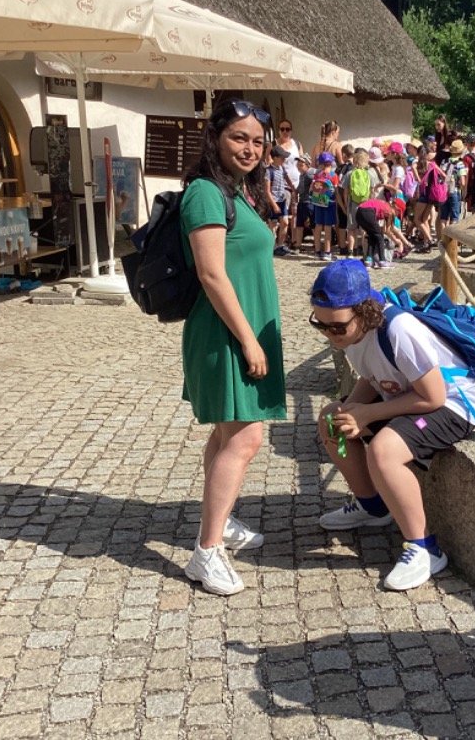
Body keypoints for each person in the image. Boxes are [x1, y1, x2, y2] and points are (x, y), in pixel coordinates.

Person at [311, 260, 475, 591]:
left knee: (384, 450)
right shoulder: (353, 334)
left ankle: (424, 548)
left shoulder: (399, 329)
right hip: (408, 397)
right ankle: (373, 507)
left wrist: (367, 415)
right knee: (331, 420)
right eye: (320, 324)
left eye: (336, 327)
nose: (328, 334)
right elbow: (372, 375)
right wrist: (351, 410)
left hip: (453, 405)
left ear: (363, 312)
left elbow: (433, 397)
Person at [179, 98, 286, 596]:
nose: (250, 148)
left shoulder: (235, 191)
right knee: (246, 439)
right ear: (216, 137)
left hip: (240, 328)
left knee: (227, 435)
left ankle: (218, 523)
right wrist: (248, 340)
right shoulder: (205, 192)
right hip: (225, 332)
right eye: (239, 137)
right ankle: (206, 552)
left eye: (258, 141)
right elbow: (211, 274)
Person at [436, 139, 467, 241]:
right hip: (454, 191)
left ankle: (443, 239)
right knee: (454, 218)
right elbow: (462, 182)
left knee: (443, 218)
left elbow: (439, 176)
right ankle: (451, 241)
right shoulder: (460, 164)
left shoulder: (444, 162)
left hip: (443, 191)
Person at [310, 152, 339, 260]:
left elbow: (311, 188)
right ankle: (327, 252)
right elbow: (336, 191)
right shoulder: (333, 176)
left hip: (318, 203)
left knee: (318, 226)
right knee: (327, 228)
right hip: (329, 204)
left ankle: (317, 251)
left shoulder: (317, 175)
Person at [265, 144, 290, 255]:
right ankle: (273, 246)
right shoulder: (268, 171)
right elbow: (267, 190)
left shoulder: (282, 168)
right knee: (273, 224)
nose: (284, 159)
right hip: (273, 201)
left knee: (285, 222)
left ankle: (280, 244)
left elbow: (287, 178)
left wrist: (293, 188)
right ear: (275, 158)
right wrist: (274, 204)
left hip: (282, 200)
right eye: (282, 157)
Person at [290, 154, 314, 253]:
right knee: (299, 224)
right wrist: (296, 192)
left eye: (301, 165)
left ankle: (316, 244)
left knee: (311, 224)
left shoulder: (310, 174)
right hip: (301, 202)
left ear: (307, 165)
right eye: (298, 164)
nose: (299, 166)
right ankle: (298, 245)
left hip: (309, 202)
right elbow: (300, 187)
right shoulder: (302, 175)